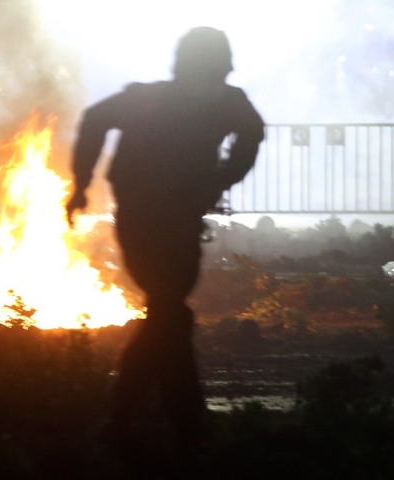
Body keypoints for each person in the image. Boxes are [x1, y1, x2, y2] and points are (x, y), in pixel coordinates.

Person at [65, 27, 264, 460]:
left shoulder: (164, 100)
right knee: (171, 311)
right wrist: (221, 179)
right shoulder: (201, 101)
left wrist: (82, 185)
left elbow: (96, 119)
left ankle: (132, 422)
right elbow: (252, 135)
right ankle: (173, 425)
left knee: (168, 313)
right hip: (151, 220)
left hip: (164, 219)